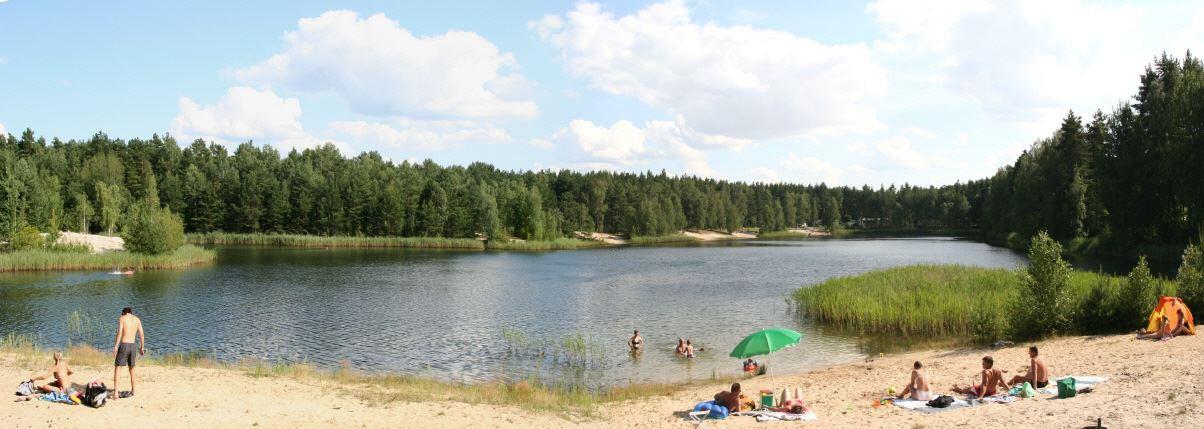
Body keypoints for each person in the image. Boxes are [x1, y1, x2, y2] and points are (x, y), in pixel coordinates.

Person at [112, 307, 145, 399]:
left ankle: (116, 393)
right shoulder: (137, 319)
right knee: (132, 369)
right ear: (131, 312)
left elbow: (119, 334)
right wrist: (142, 347)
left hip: (124, 345)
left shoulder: (122, 318)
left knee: (118, 368)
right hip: (133, 346)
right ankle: (134, 391)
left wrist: (115, 347)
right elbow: (142, 334)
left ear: (123, 313)